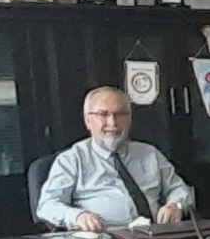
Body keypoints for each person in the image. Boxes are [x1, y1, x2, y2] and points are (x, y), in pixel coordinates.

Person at [37, 86, 193, 231]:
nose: (112, 123)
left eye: (120, 114)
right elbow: (47, 205)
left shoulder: (150, 154)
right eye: (103, 115)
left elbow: (180, 188)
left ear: (129, 119)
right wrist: (78, 216)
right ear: (88, 121)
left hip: (155, 236)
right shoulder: (72, 159)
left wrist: (175, 205)